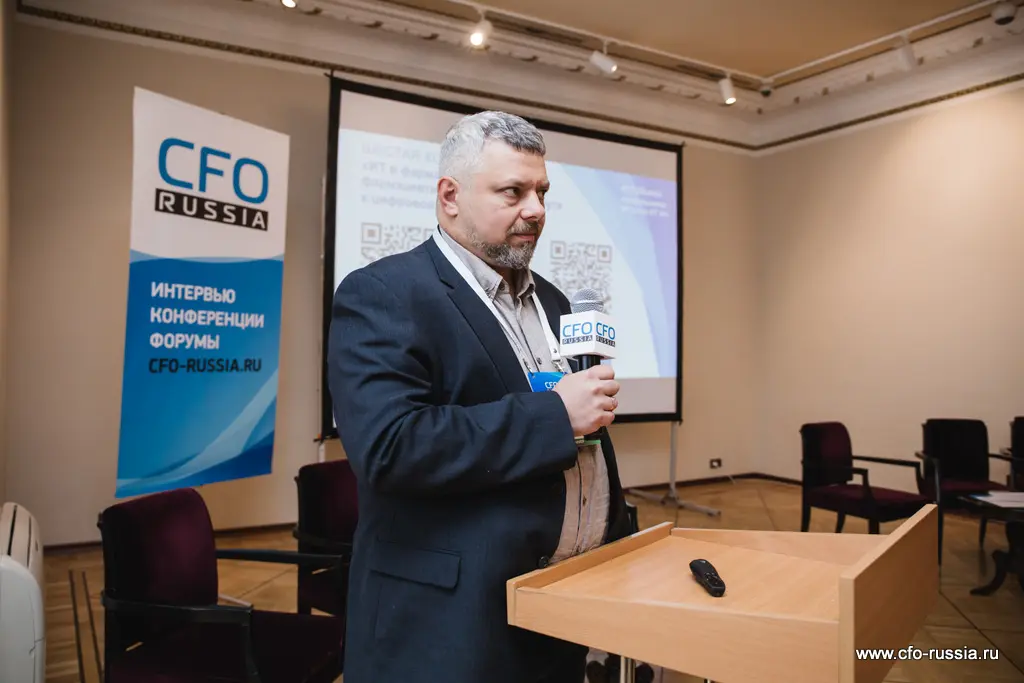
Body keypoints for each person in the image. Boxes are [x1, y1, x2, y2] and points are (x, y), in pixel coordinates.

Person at [327, 110, 632, 683]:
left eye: (542, 192)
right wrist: (556, 414)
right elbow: (391, 447)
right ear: (450, 196)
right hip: (451, 626)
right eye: (513, 192)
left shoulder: (554, 302)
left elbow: (583, 435)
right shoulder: (385, 293)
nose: (536, 210)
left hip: (562, 607)